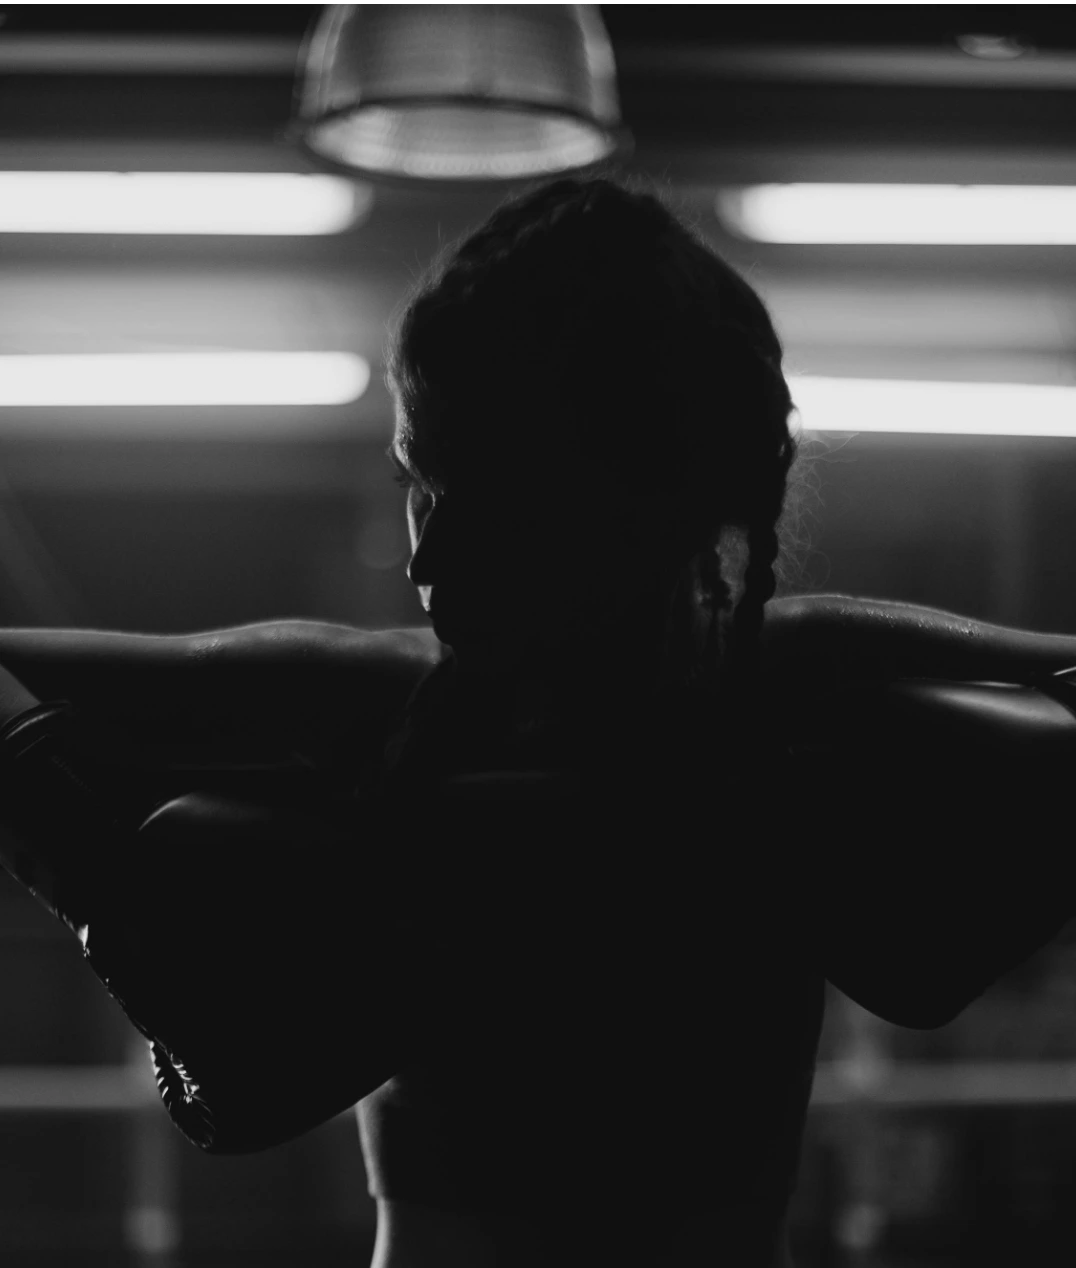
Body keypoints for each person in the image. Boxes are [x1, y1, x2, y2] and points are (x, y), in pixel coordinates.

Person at [0, 171, 1075, 1268]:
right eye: (419, 482)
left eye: (490, 500)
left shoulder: (781, 696)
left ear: (626, 506)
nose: (427, 555)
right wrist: (64, 822)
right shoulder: (389, 697)